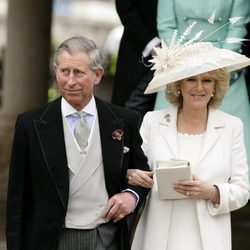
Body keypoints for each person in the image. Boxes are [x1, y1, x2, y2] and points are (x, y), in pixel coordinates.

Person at [5, 36, 150, 250]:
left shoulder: (124, 120)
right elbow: (18, 199)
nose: (70, 81)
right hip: (52, 239)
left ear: (98, 75)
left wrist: (131, 195)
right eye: (64, 71)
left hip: (107, 237)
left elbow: (141, 174)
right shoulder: (30, 124)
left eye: (79, 73)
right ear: (56, 71)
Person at [127, 26, 250, 250]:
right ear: (179, 84)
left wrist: (211, 191)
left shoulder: (232, 126)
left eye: (207, 80)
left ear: (216, 86)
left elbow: (243, 191)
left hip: (208, 241)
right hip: (157, 238)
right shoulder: (152, 121)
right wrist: (133, 175)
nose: (199, 88)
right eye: (191, 79)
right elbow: (130, 170)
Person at [154, 0, 250, 168]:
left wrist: (216, 69)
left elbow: (237, 26)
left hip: (224, 74)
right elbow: (166, 26)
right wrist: (188, 65)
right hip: (181, 70)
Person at [111, 0, 159, 124]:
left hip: (184, 57)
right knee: (129, 119)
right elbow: (125, 7)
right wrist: (153, 45)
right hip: (139, 52)